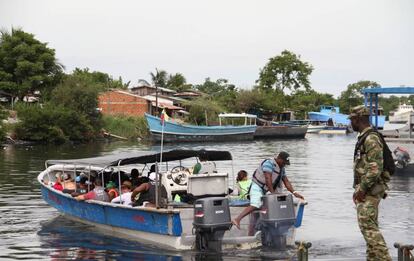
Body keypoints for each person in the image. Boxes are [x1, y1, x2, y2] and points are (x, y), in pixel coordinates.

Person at [349, 105, 392, 261]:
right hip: (367, 189)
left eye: (352, 120)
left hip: (370, 190)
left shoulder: (370, 138)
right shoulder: (365, 137)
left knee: (369, 229)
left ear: (358, 119)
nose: (350, 124)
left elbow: (375, 168)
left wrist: (362, 189)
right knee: (368, 228)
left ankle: (385, 258)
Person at [232, 151, 304, 229]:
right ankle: (237, 219)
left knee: (263, 210)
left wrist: (294, 192)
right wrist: (273, 194)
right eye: (283, 162)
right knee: (256, 204)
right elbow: (268, 179)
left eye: (285, 163)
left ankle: (255, 231)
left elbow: (286, 181)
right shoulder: (268, 163)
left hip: (263, 190)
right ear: (279, 158)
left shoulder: (281, 169)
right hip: (256, 186)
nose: (284, 165)